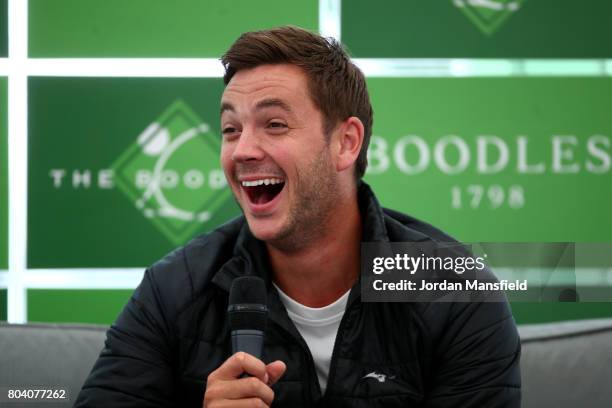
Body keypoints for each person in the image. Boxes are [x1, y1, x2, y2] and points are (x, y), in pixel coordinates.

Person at [75, 26, 521, 407]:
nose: (243, 150)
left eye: (274, 124)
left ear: (346, 142)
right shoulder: (173, 290)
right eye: (231, 129)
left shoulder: (455, 295)